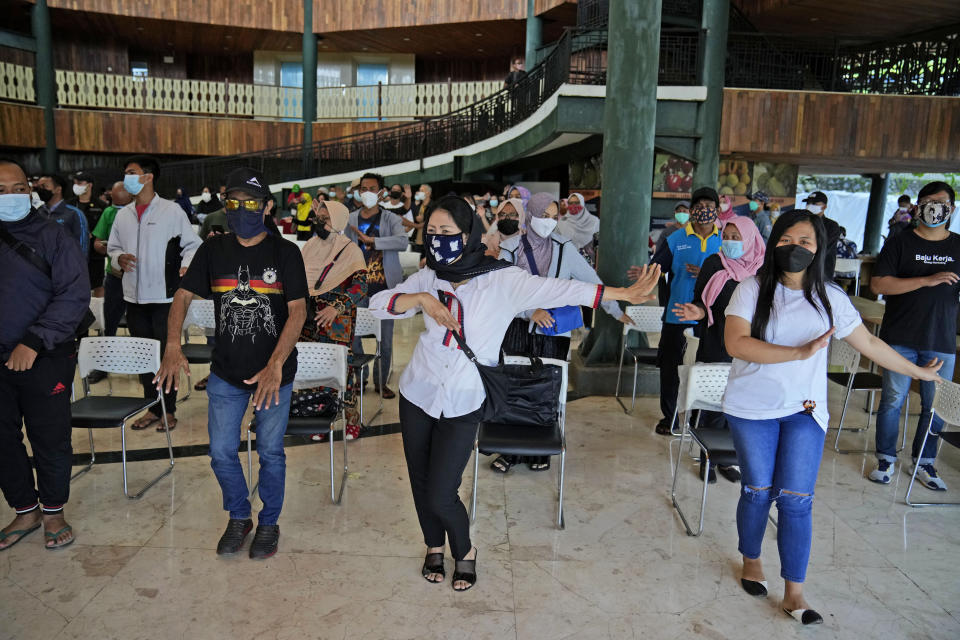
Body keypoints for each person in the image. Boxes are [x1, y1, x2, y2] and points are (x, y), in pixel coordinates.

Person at [367, 195, 661, 591]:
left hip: (465, 397)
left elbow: (562, 289)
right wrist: (419, 299)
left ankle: (464, 550)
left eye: (447, 232)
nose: (438, 240)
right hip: (418, 392)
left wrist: (621, 295)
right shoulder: (428, 278)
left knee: (441, 490)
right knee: (420, 482)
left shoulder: (503, 279)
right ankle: (433, 545)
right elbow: (378, 304)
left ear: (468, 233)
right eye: (431, 233)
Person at [721, 209, 942, 626]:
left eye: (805, 241)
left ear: (819, 248)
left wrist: (917, 372)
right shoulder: (750, 289)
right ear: (775, 243)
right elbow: (737, 343)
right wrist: (798, 353)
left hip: (804, 411)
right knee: (757, 490)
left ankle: (795, 593)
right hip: (752, 409)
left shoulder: (830, 297)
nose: (795, 247)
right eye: (788, 239)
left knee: (797, 501)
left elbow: (870, 345)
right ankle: (751, 560)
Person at [154, 167, 307, 560]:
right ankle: (240, 516)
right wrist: (173, 344)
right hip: (226, 372)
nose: (241, 210)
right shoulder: (214, 249)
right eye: (233, 203)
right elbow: (183, 298)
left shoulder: (285, 252)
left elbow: (297, 312)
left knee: (270, 452)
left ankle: (269, 522)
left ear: (268, 206)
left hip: (274, 374)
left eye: (251, 203)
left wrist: (275, 365)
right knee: (222, 452)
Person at [494, 193, 632, 472]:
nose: (547, 221)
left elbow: (591, 283)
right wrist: (528, 311)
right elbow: (500, 289)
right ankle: (510, 449)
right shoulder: (509, 248)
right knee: (515, 384)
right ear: (530, 214)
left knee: (546, 387)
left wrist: (615, 310)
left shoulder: (564, 248)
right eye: (542, 215)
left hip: (553, 331)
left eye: (552, 216)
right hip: (517, 328)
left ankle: (539, 450)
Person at [0, 158, 90, 551]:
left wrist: (34, 341)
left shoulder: (53, 235)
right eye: (2, 190)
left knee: (50, 437)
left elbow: (74, 294)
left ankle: (53, 510)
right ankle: (25, 509)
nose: (13, 196)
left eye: (20, 188)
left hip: (46, 354)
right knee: (2, 440)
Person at [868, 181, 959, 489]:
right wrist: (925, 280)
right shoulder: (899, 242)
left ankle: (925, 462)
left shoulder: (958, 246)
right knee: (893, 400)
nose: (935, 207)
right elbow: (879, 286)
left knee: (935, 406)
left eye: (941, 202)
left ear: (952, 209)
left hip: (941, 340)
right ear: (918, 207)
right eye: (929, 201)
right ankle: (885, 459)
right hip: (900, 337)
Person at [107, 155, 201, 432]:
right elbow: (112, 248)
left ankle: (168, 411)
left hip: (164, 299)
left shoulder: (171, 211)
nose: (127, 177)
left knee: (165, 357)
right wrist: (118, 259)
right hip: (133, 298)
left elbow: (193, 245)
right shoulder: (122, 215)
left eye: (131, 172)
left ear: (148, 177)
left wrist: (185, 268)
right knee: (143, 358)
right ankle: (152, 408)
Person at [672, 216, 766, 483]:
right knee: (714, 405)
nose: (731, 242)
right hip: (717, 344)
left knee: (740, 408)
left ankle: (727, 460)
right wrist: (697, 311)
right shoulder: (714, 263)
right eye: (728, 236)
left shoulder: (762, 270)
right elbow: (702, 304)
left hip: (749, 347)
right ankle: (708, 460)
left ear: (750, 239)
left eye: (737, 238)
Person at [639, 187, 722, 435]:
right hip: (677, 314)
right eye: (699, 206)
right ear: (692, 209)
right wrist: (647, 279)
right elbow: (657, 268)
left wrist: (708, 275)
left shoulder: (724, 240)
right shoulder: (676, 239)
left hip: (712, 318)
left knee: (705, 368)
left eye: (710, 207)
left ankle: (700, 419)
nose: (704, 211)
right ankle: (670, 418)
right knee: (671, 367)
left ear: (716, 211)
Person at [299, 200, 368, 440]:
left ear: (338, 221)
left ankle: (351, 419)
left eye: (325, 218)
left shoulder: (350, 250)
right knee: (315, 371)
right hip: (309, 320)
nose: (320, 221)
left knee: (341, 372)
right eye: (318, 216)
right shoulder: (309, 246)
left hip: (337, 323)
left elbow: (361, 287)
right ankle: (320, 419)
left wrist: (336, 308)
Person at [345, 172, 409, 400]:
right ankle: (359, 379)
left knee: (385, 337)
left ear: (380, 192)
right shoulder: (350, 219)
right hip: (357, 286)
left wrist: (375, 242)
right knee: (354, 335)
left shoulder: (390, 219)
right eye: (363, 188)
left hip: (385, 286)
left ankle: (381, 382)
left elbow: (403, 241)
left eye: (372, 188)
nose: (367, 193)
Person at [92, 181, 133, 338]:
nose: (115, 202)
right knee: (111, 316)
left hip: (137, 275)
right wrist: (102, 247)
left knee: (138, 319)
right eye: (113, 199)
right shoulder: (109, 212)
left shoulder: (141, 212)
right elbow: (97, 241)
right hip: (115, 275)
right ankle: (108, 346)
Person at [70, 170, 106, 296]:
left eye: (80, 182)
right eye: (75, 182)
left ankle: (98, 311)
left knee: (97, 284)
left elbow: (105, 229)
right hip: (73, 252)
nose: (76, 185)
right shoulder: (69, 204)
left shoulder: (101, 206)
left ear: (89, 185)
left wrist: (94, 235)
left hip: (94, 253)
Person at [34, 174, 88, 255]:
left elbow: (82, 246)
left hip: (66, 265)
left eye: (44, 186)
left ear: (58, 189)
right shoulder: (38, 212)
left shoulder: (74, 214)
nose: (40, 190)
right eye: (39, 187)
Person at [800, 191, 840, 280]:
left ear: (824, 207)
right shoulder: (800, 223)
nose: (810, 206)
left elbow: (824, 248)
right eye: (808, 203)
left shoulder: (831, 226)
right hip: (800, 272)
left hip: (822, 272)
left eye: (814, 203)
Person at [558, 192, 600, 267]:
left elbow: (599, 246)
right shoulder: (562, 222)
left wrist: (597, 267)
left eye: (577, 202)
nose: (573, 205)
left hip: (588, 265)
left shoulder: (594, 222)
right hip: (566, 265)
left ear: (582, 203)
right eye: (570, 203)